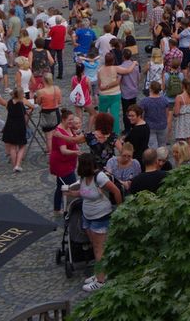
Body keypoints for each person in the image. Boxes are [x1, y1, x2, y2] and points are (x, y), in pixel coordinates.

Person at [69, 152, 122, 293]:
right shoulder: (84, 177)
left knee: (99, 249)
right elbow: (83, 193)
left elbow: (116, 191)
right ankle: (100, 272)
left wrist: (120, 209)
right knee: (95, 246)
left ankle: (100, 281)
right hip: (88, 216)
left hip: (100, 216)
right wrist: (70, 193)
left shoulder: (100, 177)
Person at [50, 110, 82, 215]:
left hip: (68, 162)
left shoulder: (69, 128)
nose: (72, 121)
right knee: (72, 186)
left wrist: (76, 147)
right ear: (63, 119)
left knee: (60, 186)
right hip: (61, 163)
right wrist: (76, 152)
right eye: (70, 120)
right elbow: (63, 150)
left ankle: (56, 209)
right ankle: (70, 209)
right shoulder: (59, 132)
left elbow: (73, 140)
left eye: (73, 119)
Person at [1, 86, 34, 172]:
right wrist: (29, 112)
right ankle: (18, 164)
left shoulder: (9, 102)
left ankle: (13, 164)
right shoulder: (21, 102)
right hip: (19, 126)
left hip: (10, 125)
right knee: (22, 145)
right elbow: (31, 106)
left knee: (12, 146)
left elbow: (8, 109)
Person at [36, 72, 63, 152]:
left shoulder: (41, 91)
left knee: (48, 136)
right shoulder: (57, 89)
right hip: (56, 112)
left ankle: (51, 153)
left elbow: (38, 103)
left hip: (46, 113)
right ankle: (58, 149)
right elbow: (59, 101)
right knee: (57, 133)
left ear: (43, 80)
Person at [171, 78, 190, 156]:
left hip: (183, 120)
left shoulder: (179, 97)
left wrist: (173, 111)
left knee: (181, 141)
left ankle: (182, 158)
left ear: (183, 85)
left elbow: (176, 112)